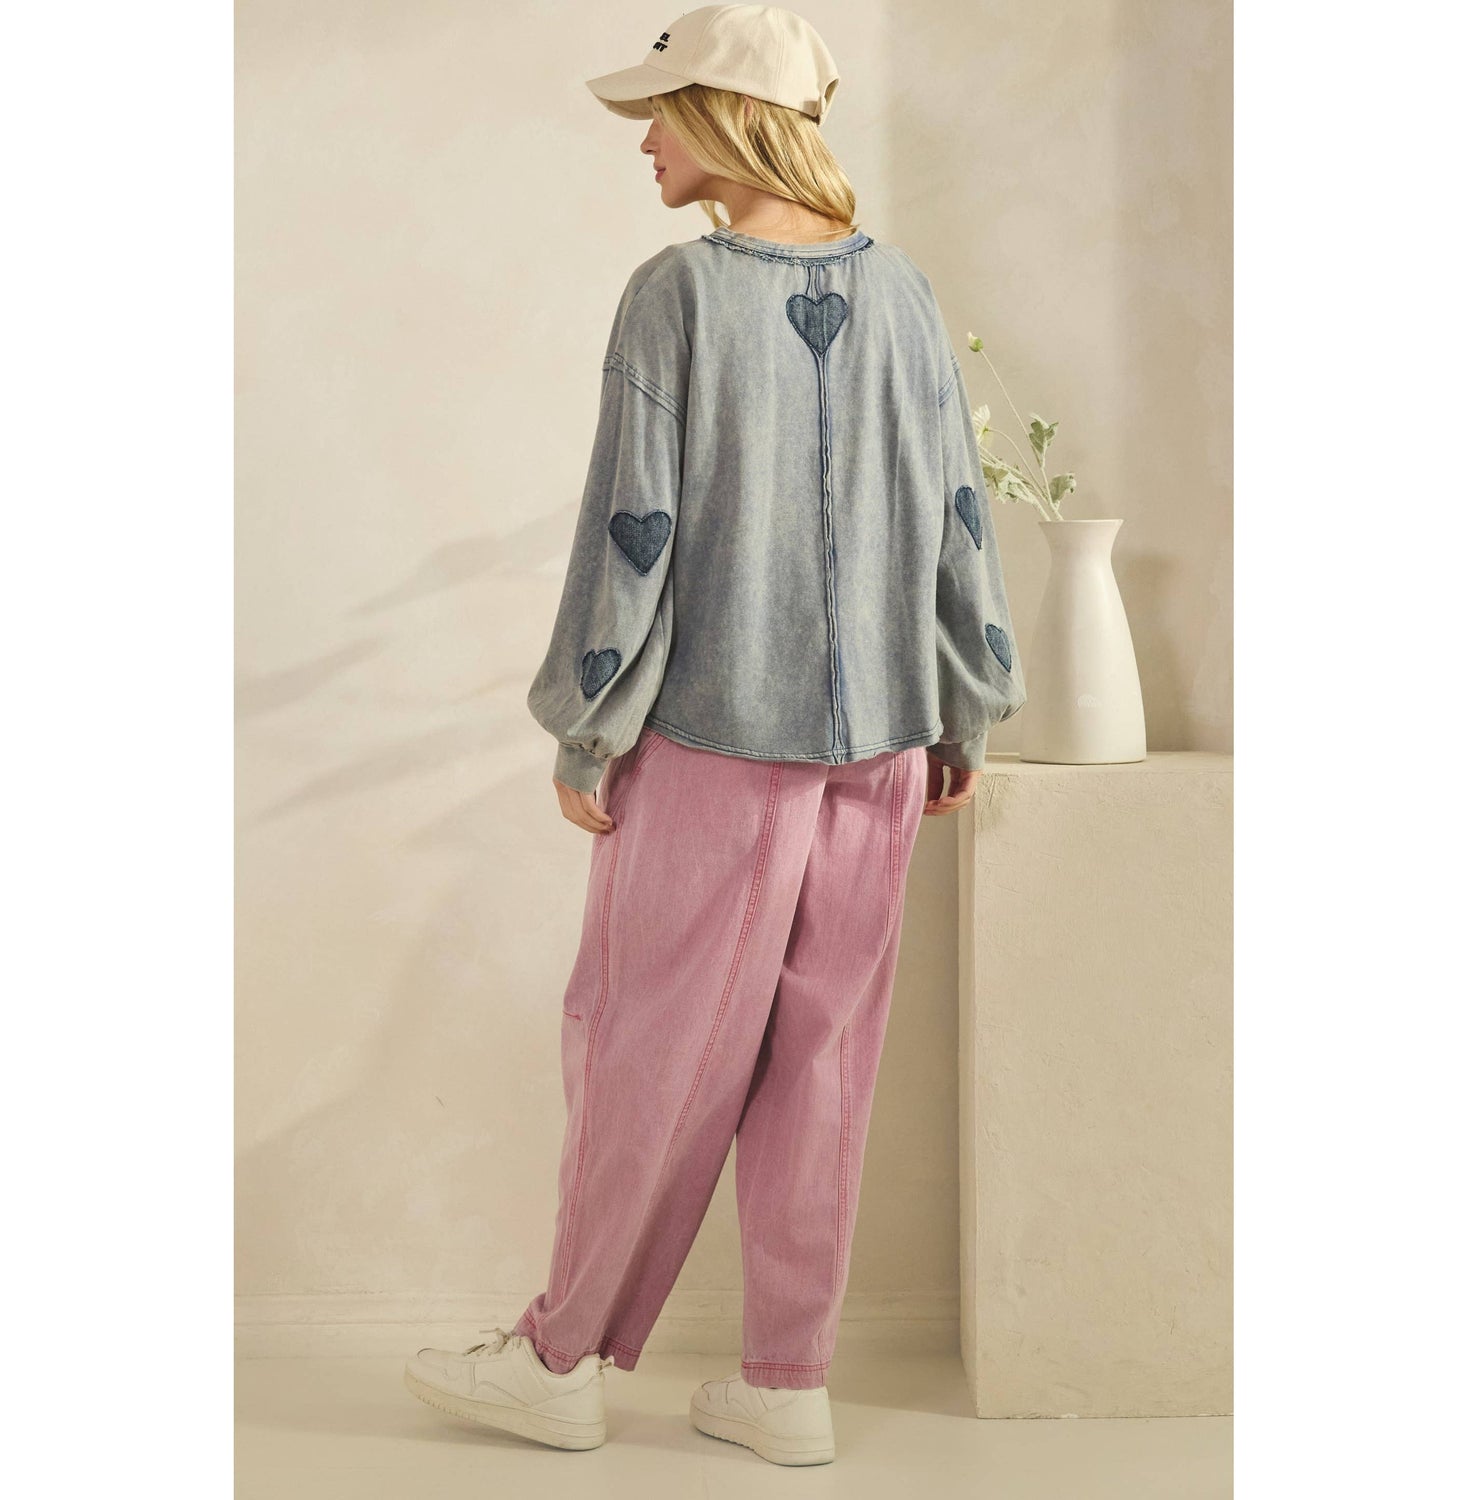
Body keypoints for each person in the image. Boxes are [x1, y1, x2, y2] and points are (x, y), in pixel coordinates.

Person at [404, 3, 1027, 1467]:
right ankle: (787, 1385)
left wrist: (588, 725)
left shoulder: (677, 294)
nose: (643, 142)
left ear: (728, 118)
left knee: (646, 1046)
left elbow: (635, 527)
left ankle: (560, 1361)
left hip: (713, 736)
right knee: (823, 1064)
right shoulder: (907, 292)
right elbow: (957, 511)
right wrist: (967, 707)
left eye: (660, 113)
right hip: (884, 742)